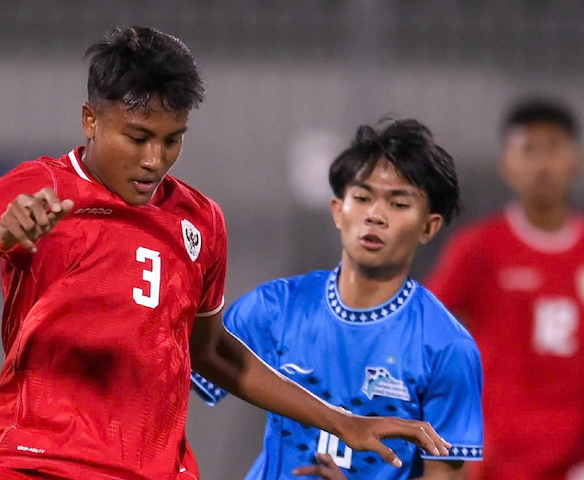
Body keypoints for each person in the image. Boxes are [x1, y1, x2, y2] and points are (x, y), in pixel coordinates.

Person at [0, 27, 449, 480]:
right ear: (91, 120)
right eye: (137, 138)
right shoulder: (36, 188)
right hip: (41, 465)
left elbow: (214, 354)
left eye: (172, 139)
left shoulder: (200, 221)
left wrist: (341, 422)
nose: (155, 159)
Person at [193, 119, 483, 480]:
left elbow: (447, 475)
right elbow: (177, 373)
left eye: (398, 203)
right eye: (362, 198)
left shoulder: (448, 347)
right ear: (337, 210)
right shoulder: (274, 307)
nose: (375, 216)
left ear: (429, 226)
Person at [426, 98, 584, 480]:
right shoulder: (480, 249)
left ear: (576, 161)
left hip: (582, 460)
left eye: (553, 148)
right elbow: (423, 327)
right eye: (528, 149)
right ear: (506, 164)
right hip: (499, 459)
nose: (541, 163)